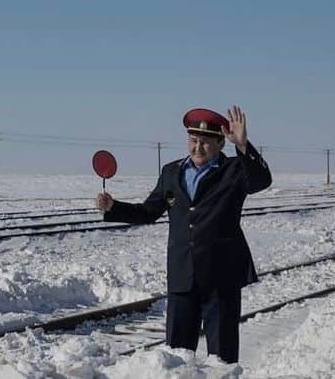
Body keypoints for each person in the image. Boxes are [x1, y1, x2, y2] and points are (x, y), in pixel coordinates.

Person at [96, 105, 271, 362]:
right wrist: (114, 208)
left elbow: (262, 181)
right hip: (182, 276)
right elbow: (148, 211)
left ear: (221, 143)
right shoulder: (171, 172)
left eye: (205, 142)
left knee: (222, 358)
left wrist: (243, 145)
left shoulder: (235, 170)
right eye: (193, 140)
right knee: (176, 356)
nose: (197, 148)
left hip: (222, 277)